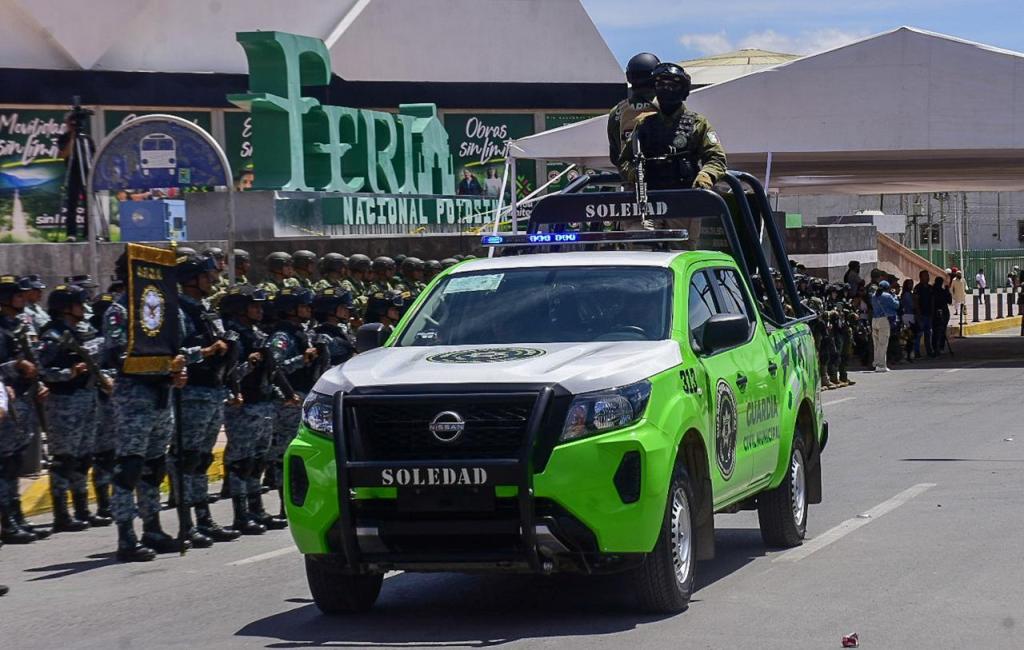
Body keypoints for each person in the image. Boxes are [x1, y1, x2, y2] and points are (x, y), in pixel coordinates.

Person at [103, 253, 192, 562]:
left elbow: (178, 348)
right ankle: (125, 535)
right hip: (134, 397)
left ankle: (152, 528)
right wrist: (166, 366)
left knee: (154, 467)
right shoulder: (119, 311)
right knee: (129, 467)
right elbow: (118, 355)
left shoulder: (167, 310)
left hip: (162, 396)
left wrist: (179, 369)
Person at [173, 253, 240, 547]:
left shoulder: (204, 310)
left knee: (201, 459)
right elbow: (176, 352)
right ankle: (186, 523)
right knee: (187, 459)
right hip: (192, 392)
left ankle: (203, 519)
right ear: (192, 279)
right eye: (206, 276)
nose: (212, 280)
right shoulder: (179, 312)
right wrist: (208, 351)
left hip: (213, 390)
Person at [37, 284, 112, 532]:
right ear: (65, 308)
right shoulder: (52, 336)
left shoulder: (83, 331)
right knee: (63, 459)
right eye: (79, 303)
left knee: (83, 458)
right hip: (64, 402)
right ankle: (62, 514)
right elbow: (42, 371)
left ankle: (82, 510)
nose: (84, 308)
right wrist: (70, 372)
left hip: (88, 398)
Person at [221, 285, 287, 534]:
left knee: (258, 461)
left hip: (262, 403)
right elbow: (227, 374)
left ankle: (257, 510)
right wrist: (249, 364)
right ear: (240, 309)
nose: (260, 310)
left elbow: (271, 371)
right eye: (254, 306)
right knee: (241, 462)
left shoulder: (257, 334)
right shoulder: (233, 336)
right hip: (243, 406)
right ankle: (241, 515)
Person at [626, 62, 728, 191]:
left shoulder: (698, 123)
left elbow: (716, 158)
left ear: (683, 90)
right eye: (660, 85)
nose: (666, 89)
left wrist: (706, 176)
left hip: (687, 195)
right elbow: (626, 159)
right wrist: (633, 173)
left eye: (672, 85)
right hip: (651, 197)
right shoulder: (644, 125)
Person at [266, 289, 320, 527]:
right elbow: (274, 367)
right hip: (289, 402)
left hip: (303, 399)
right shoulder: (282, 336)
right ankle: (284, 505)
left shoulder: (301, 333)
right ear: (290, 308)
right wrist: (302, 359)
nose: (308, 309)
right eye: (302, 305)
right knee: (285, 455)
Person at [607, 52, 660, 174]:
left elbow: (615, 156)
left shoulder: (617, 111)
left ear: (629, 77)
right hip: (668, 181)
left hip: (631, 179)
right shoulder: (667, 105)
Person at [57, 111, 96, 241]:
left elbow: (94, 156)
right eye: (69, 122)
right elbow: (63, 155)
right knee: (72, 203)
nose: (71, 124)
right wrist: (73, 138)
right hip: (73, 173)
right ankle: (71, 234)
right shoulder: (64, 138)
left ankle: (89, 233)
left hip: (87, 173)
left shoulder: (87, 139)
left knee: (89, 204)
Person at [870, 280, 898, 372]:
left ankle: (877, 363)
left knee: (876, 344)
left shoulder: (873, 296)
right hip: (883, 321)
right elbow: (896, 305)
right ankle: (881, 365)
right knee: (883, 343)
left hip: (874, 320)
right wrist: (894, 296)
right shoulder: (887, 296)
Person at [913, 270, 935, 358]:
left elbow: (932, 300)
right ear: (921, 277)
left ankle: (929, 350)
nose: (928, 277)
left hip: (928, 314)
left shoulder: (930, 288)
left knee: (928, 333)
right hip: (921, 314)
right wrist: (918, 313)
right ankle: (917, 352)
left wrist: (932, 312)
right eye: (925, 276)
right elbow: (915, 301)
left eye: (928, 276)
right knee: (919, 333)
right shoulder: (918, 288)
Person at [931, 276, 953, 355]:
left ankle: (938, 347)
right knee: (939, 330)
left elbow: (949, 301)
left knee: (939, 330)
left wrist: (947, 291)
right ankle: (938, 347)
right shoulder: (934, 291)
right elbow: (949, 301)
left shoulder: (939, 291)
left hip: (942, 313)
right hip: (938, 312)